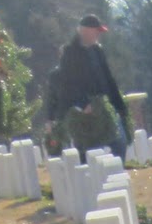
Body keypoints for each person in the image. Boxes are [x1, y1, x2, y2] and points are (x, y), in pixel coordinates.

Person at [46, 14, 129, 161]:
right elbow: (68, 84)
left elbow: (108, 80)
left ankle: (115, 172)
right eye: (96, 30)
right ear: (84, 31)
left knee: (119, 143)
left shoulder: (98, 51)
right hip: (83, 111)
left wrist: (119, 106)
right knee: (89, 151)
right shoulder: (71, 53)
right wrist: (83, 103)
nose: (98, 34)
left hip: (105, 105)